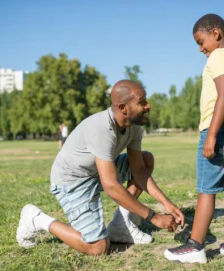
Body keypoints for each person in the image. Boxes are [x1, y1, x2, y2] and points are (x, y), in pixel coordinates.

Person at [16, 80, 185, 256]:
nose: (148, 106)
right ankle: (36, 219)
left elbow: (139, 170)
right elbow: (111, 186)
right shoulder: (102, 128)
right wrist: (154, 217)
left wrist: (166, 203)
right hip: (73, 180)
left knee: (146, 159)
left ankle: (121, 225)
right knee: (98, 247)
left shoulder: (134, 126)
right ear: (123, 108)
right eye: (141, 102)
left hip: (98, 170)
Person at [164, 14, 224, 263]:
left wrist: (212, 135)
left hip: (221, 125)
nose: (201, 49)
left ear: (216, 33)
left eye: (201, 42)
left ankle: (195, 246)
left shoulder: (219, 56)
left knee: (206, 189)